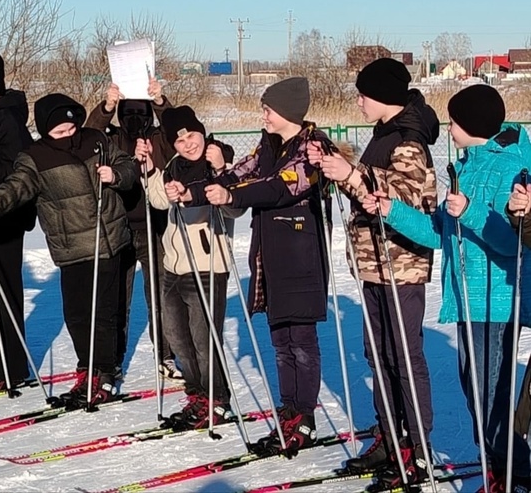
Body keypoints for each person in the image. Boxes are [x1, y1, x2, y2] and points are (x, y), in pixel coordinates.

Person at [364, 84, 531, 493]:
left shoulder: (509, 167)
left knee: (489, 395)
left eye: (454, 121)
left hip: (494, 301)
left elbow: (514, 241)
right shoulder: (469, 164)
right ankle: (500, 469)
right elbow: (438, 232)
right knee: (476, 391)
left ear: (471, 124)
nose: (449, 128)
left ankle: (516, 473)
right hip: (466, 297)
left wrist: (472, 211)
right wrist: (391, 209)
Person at [307, 57, 438, 485]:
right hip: (374, 266)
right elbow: (367, 188)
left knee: (403, 356)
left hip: (401, 266)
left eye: (363, 94)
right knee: (378, 355)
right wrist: (337, 166)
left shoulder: (409, 142)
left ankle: (418, 450)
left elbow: (401, 198)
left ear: (382, 96)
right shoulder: (383, 136)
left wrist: (353, 173)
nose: (359, 101)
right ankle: (387, 437)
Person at [187, 77, 331, 453]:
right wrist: (197, 190)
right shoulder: (267, 145)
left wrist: (232, 193)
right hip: (269, 257)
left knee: (301, 341)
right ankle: (289, 409)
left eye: (268, 109)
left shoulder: (313, 147)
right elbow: (241, 174)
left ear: (287, 111)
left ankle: (306, 415)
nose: (263, 115)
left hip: (301, 256)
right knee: (280, 341)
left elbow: (281, 186)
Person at [0, 93, 136, 406]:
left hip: (106, 239)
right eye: (59, 132)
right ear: (45, 131)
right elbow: (13, 189)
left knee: (104, 313)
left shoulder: (96, 140)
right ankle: (88, 369)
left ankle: (105, 374)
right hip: (70, 246)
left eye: (71, 129)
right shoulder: (35, 158)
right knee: (77, 314)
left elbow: (127, 165)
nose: (68, 136)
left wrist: (117, 175)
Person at [135, 105, 238, 429]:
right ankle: (198, 393)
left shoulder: (217, 162)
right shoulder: (175, 166)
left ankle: (217, 398)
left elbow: (236, 207)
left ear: (202, 132)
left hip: (208, 265)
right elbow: (159, 202)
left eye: (192, 136)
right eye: (179, 141)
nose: (188, 144)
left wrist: (220, 171)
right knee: (177, 337)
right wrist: (150, 169)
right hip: (174, 264)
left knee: (204, 339)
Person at [86, 79, 181, 380]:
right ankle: (113, 359)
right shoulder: (112, 139)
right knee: (117, 300)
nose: (135, 119)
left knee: (163, 298)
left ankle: (166, 355)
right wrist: (107, 106)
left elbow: (181, 132)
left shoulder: (159, 137)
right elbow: (89, 135)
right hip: (120, 228)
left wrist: (161, 101)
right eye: (128, 113)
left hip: (157, 228)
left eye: (141, 112)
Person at [0, 53, 36, 391]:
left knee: (4, 291)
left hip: (4, 219)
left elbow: (16, 171)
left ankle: (10, 366)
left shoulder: (7, 118)